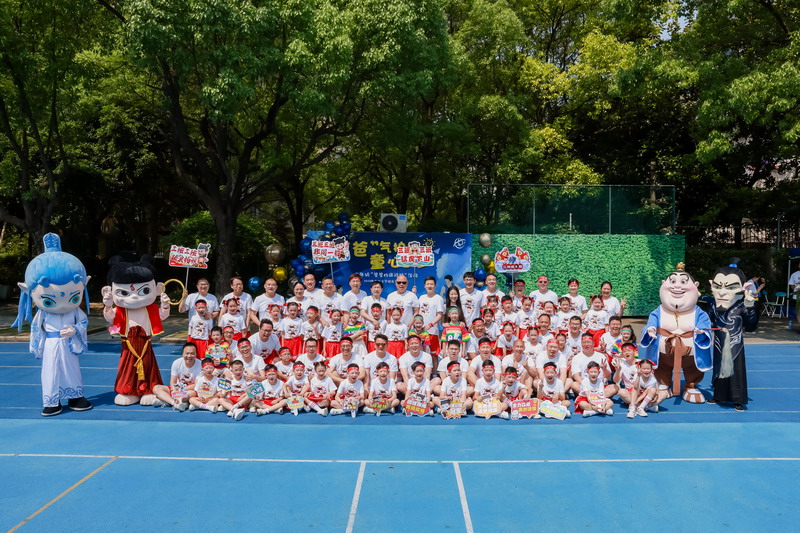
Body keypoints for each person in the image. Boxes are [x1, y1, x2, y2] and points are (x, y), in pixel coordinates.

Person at [102, 255, 170, 406]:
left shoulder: (150, 308)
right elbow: (110, 317)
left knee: (148, 366)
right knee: (128, 367)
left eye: (144, 290)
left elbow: (162, 315)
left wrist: (165, 305)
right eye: (124, 293)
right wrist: (107, 305)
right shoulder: (121, 310)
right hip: (128, 345)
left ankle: (148, 389)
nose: (134, 297)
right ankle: (130, 391)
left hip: (145, 343)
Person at [708, 261, 758, 410]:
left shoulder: (742, 306)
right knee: (719, 368)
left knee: (737, 370)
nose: (722, 292)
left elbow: (751, 326)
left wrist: (750, 307)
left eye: (730, 287)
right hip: (718, 343)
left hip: (735, 345)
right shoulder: (713, 306)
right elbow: (709, 321)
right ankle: (719, 395)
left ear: (743, 288)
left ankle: (738, 399)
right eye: (718, 287)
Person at [152, 342, 201, 409]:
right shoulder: (176, 363)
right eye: (187, 353)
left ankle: (167, 400)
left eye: (192, 353)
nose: (189, 356)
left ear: (196, 354)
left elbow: (196, 384)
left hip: (189, 390)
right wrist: (174, 391)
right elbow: (173, 381)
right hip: (177, 389)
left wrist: (182, 389)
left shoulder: (200, 364)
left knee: (193, 393)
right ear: (182, 354)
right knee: (156, 388)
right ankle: (174, 403)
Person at [418, 276, 444, 356]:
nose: (429, 286)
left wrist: (430, 324)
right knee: (422, 354)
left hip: (433, 331)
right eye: (428, 284)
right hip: (421, 331)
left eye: (431, 284)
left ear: (435, 286)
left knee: (434, 355)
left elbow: (440, 315)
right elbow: (418, 313)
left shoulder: (438, 298)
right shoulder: (421, 298)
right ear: (424, 286)